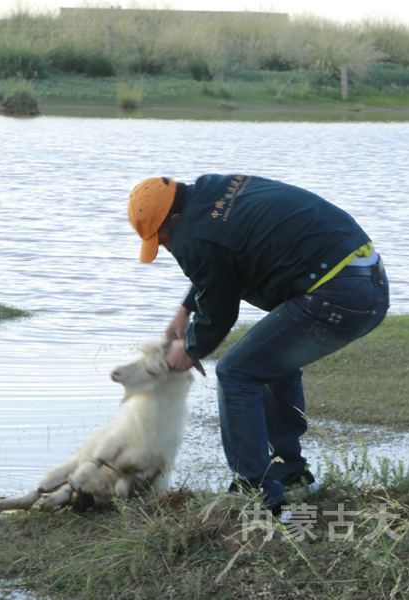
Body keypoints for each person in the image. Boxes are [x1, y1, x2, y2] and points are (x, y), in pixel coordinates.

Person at [127, 174, 389, 515]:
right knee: (270, 364)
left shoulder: (193, 233)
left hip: (337, 294)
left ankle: (256, 497)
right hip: (365, 279)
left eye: (162, 240)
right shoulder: (210, 191)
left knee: (236, 372)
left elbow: (220, 309)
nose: (165, 247)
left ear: (175, 219)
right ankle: (290, 474)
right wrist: (185, 310)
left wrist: (189, 348)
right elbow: (219, 258)